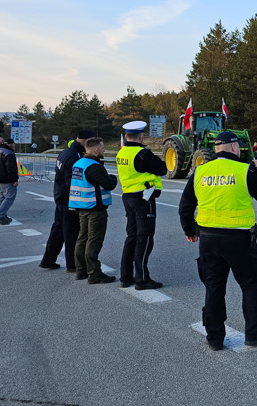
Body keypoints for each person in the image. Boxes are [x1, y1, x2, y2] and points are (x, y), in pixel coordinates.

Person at [178, 131, 257, 351]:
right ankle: (255, 334)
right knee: (250, 285)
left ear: (216, 149)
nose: (240, 149)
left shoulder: (200, 171)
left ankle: (214, 338)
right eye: (239, 146)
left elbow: (185, 206)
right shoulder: (244, 169)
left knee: (213, 288)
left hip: (208, 239)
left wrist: (189, 229)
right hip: (239, 239)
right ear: (233, 147)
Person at [117, 120, 168, 290]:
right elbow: (162, 169)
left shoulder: (122, 153)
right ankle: (142, 279)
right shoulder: (142, 154)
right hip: (144, 198)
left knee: (131, 237)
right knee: (144, 238)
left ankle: (125, 276)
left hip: (128, 197)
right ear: (141, 136)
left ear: (126, 136)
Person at [40, 130, 94, 271]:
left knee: (58, 231)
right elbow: (72, 181)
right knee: (72, 232)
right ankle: (73, 264)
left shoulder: (65, 152)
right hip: (69, 199)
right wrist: (77, 200)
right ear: (85, 140)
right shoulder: (75, 156)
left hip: (60, 197)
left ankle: (48, 260)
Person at [70, 137, 118, 283]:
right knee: (94, 240)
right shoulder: (94, 166)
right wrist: (113, 177)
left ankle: (81, 270)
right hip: (95, 209)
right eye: (102, 148)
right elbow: (109, 184)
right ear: (96, 150)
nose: (104, 150)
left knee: (82, 238)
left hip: (82, 206)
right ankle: (94, 273)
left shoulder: (79, 163)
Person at [0, 138, 18, 224]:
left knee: (1, 197)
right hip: (7, 179)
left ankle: (2, 214)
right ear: (11, 144)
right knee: (10, 197)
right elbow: (11, 168)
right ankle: (0, 215)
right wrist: (15, 179)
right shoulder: (9, 153)